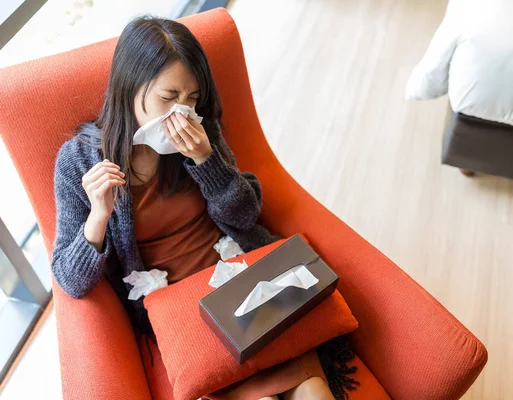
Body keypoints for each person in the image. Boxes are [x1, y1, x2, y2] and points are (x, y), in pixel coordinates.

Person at [51, 16, 356, 400]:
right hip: (180, 310)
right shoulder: (78, 161)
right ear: (129, 87)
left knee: (314, 392)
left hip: (244, 282)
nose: (182, 112)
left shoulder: (202, 132)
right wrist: (98, 216)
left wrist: (207, 161)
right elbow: (70, 279)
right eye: (168, 97)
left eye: (192, 98)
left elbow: (246, 216)